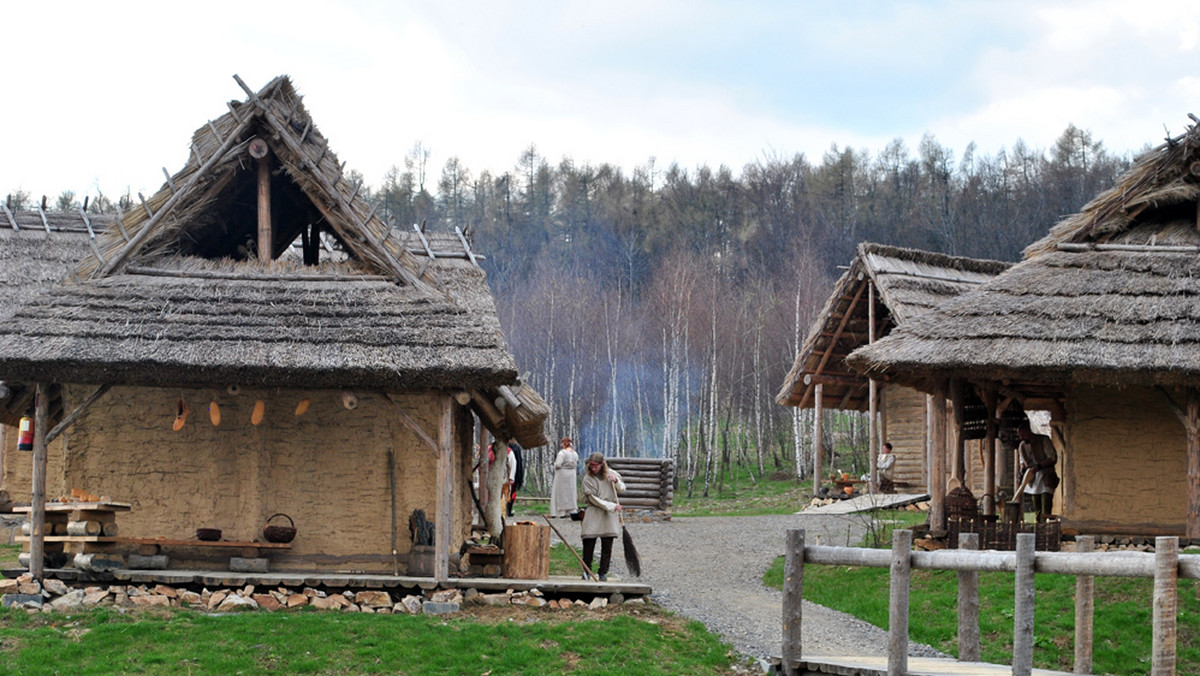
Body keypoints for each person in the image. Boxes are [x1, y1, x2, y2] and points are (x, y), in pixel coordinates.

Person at [580, 452, 625, 581]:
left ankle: (603, 572)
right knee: (588, 542)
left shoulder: (612, 474)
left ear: (602, 464)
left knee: (607, 544)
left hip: (608, 515)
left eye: (596, 466)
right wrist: (612, 506)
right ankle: (587, 571)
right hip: (594, 512)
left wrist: (616, 482)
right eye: (591, 466)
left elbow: (622, 488)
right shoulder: (588, 479)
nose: (593, 469)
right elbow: (593, 499)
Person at [1017, 421, 1058, 521]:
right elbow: (1022, 461)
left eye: (1023, 434)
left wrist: (1039, 466)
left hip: (1046, 476)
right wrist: (1023, 469)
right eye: (1020, 435)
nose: (1021, 437)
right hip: (1032, 478)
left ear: (1028, 431)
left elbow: (1052, 457)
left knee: (1046, 505)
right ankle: (1039, 527)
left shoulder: (1043, 440)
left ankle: (1046, 527)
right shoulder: (1022, 445)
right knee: (1037, 506)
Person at [549, 437, 579, 517]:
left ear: (563, 444)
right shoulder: (575, 454)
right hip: (572, 474)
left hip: (562, 474)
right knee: (571, 492)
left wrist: (554, 465)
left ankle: (561, 512)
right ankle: (571, 511)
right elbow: (575, 464)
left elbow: (558, 464)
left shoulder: (562, 453)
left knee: (561, 492)